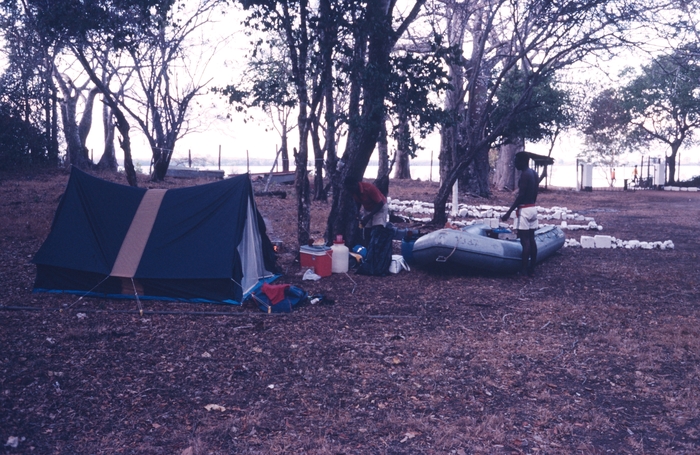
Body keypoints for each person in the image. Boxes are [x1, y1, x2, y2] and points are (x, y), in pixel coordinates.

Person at [501, 152, 539, 277]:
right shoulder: (534, 173)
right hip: (533, 208)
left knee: (525, 241)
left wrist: (508, 212)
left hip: (524, 210)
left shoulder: (524, 175)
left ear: (523, 161)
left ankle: (523, 270)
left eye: (516, 161)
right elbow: (534, 193)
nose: (515, 164)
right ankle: (532, 268)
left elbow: (521, 196)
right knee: (532, 239)